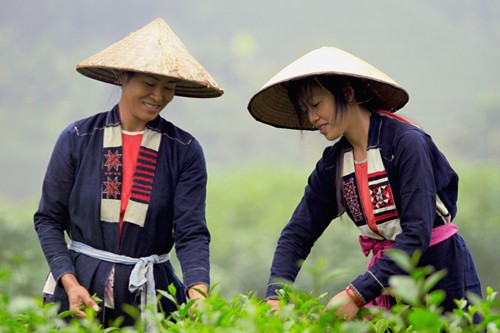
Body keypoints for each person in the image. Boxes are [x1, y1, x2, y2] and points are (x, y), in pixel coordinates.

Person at [247, 46, 482, 320]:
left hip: (440, 272)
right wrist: (276, 293)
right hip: (387, 278)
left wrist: (356, 293)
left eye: (316, 104)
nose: (312, 118)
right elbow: (297, 234)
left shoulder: (406, 144)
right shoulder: (333, 163)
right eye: (305, 109)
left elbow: (417, 232)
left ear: (346, 93)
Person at [34, 18, 223, 328]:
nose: (159, 96)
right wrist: (69, 282)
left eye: (169, 87)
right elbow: (48, 220)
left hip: (152, 294)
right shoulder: (78, 138)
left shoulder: (184, 150)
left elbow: (191, 232)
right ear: (123, 76)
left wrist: (198, 291)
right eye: (149, 83)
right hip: (79, 293)